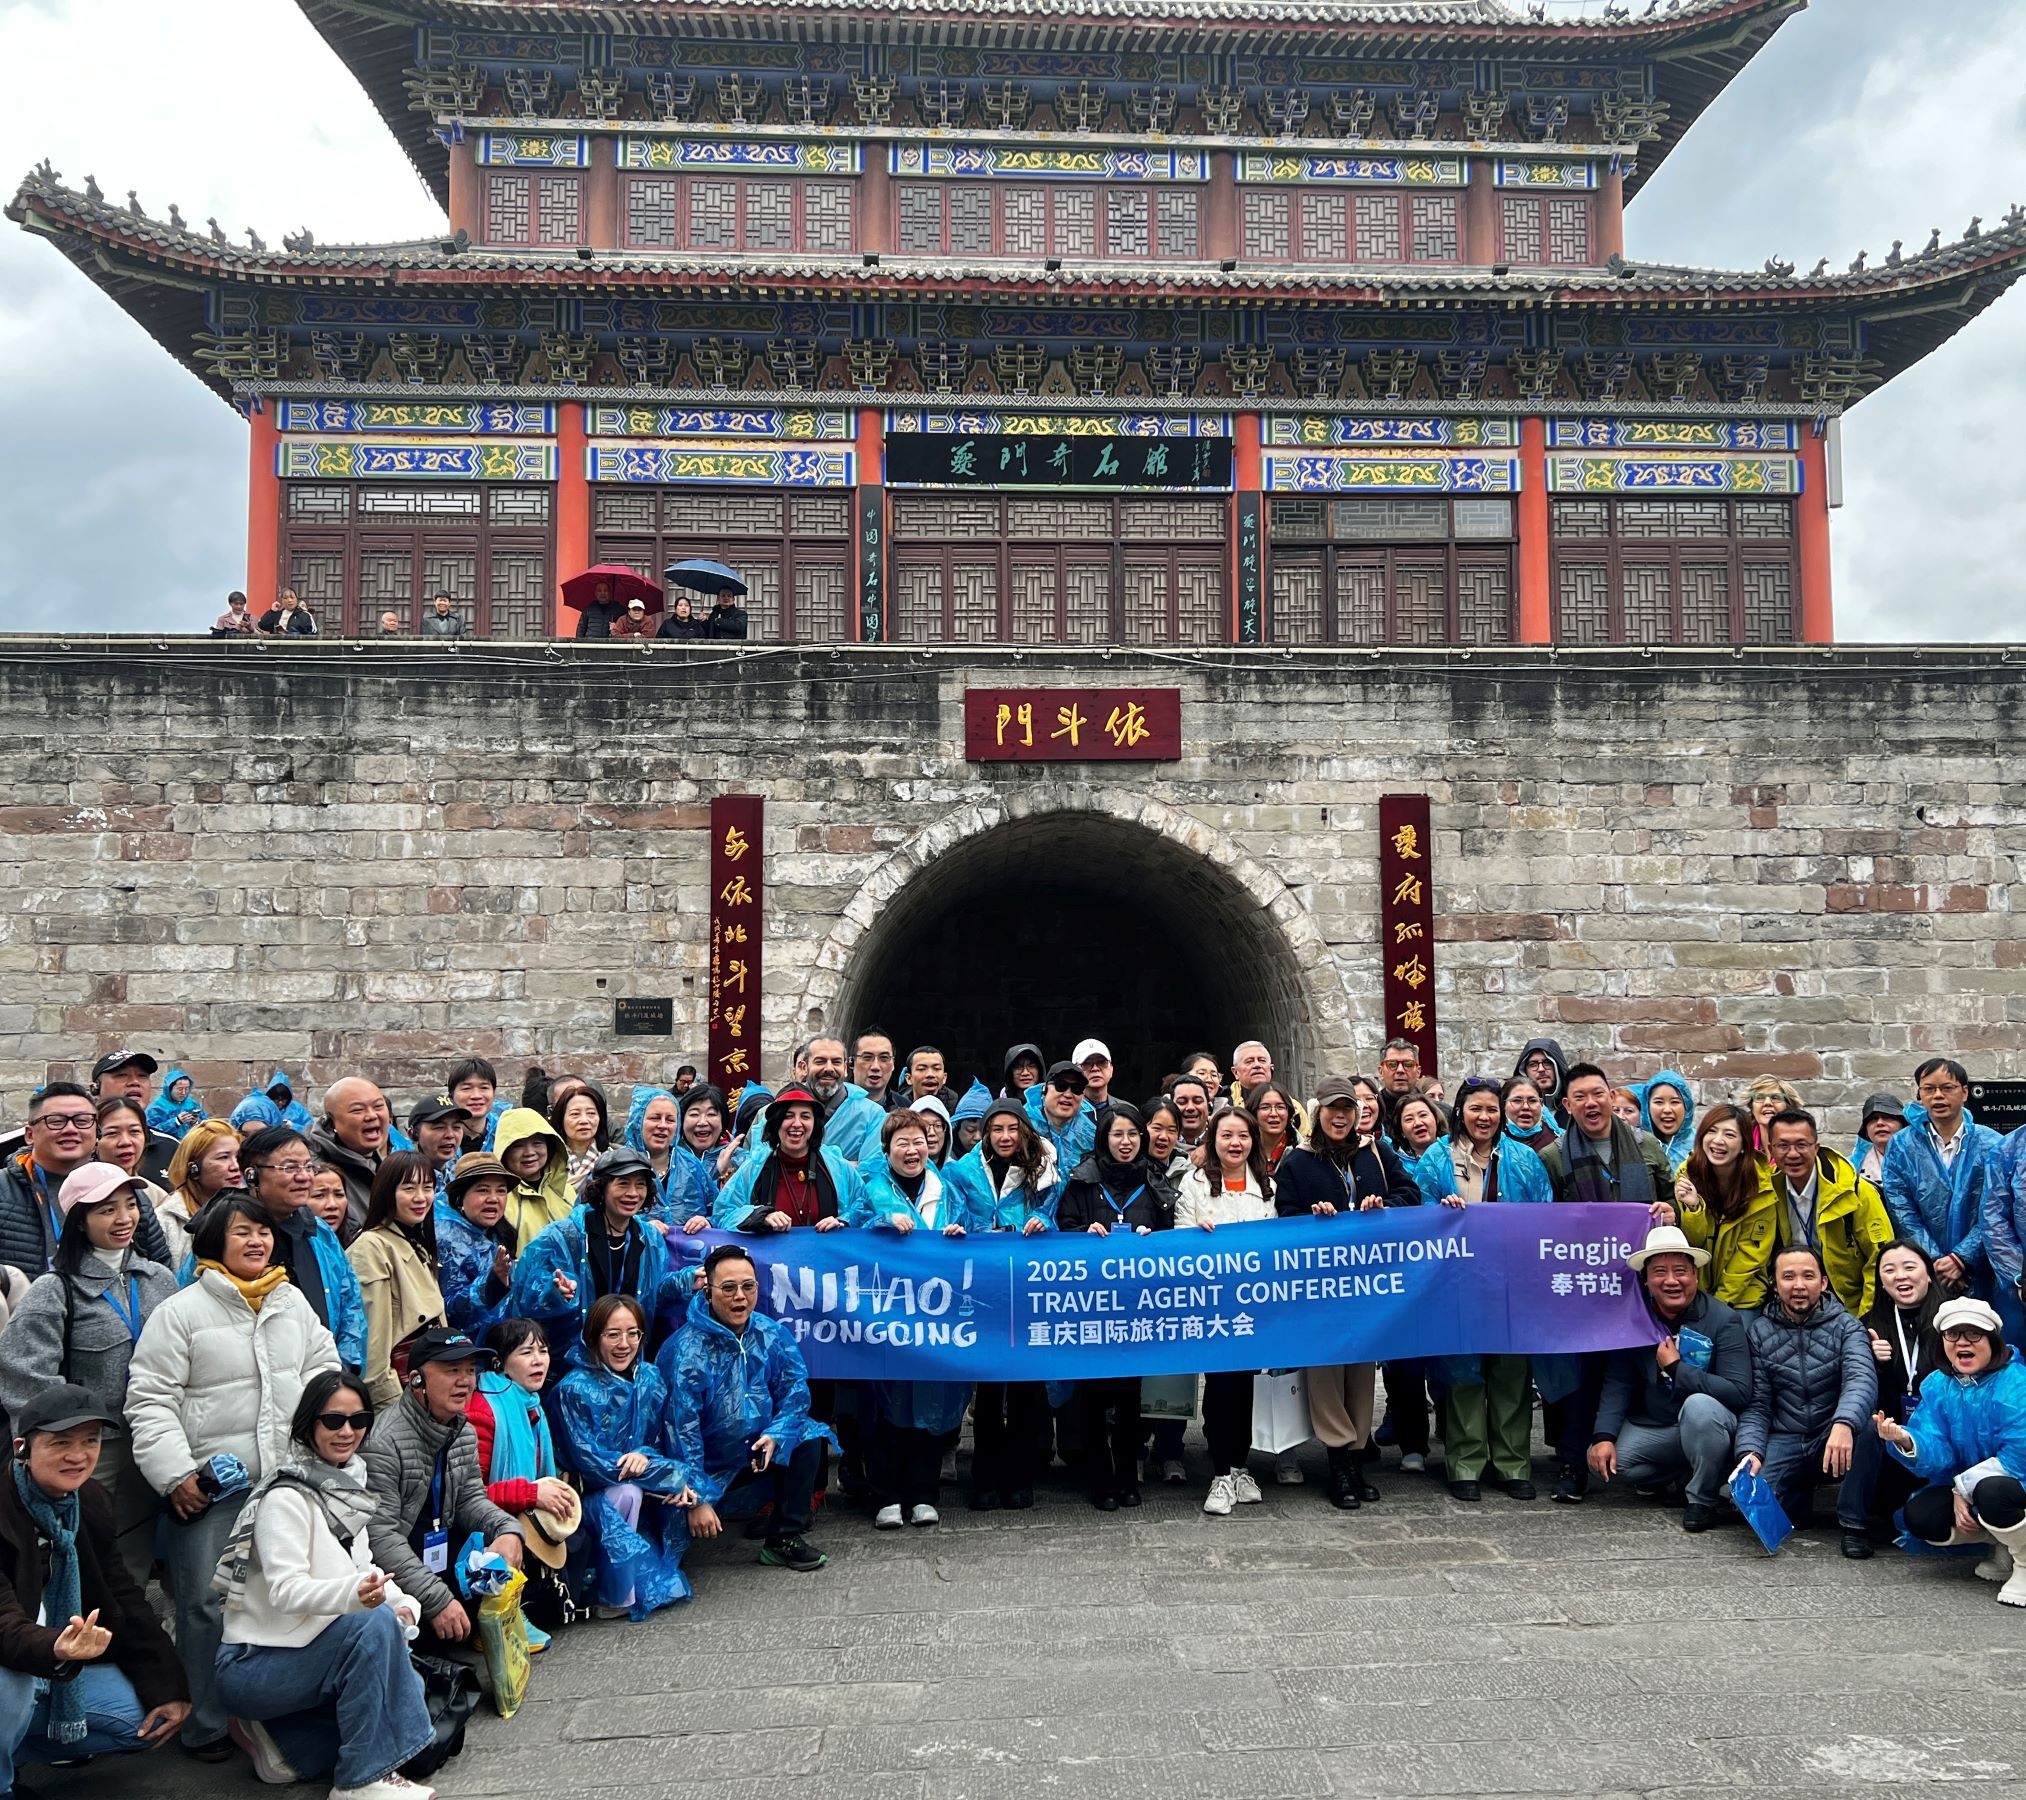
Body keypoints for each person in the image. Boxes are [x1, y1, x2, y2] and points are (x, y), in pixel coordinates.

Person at [125, 1194, 343, 1757]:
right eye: (242, 1231)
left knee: (286, 1592)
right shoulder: (181, 1312)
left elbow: (324, 1374)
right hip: (216, 1488)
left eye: (264, 1231)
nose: (257, 1241)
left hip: (289, 1484)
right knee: (204, 1604)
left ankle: (276, 1711)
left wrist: (323, 1450)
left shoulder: (291, 1302)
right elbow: (150, 1400)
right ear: (214, 1241)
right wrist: (177, 1475)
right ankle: (209, 1722)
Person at [213, 1369, 439, 1798]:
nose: (347, 1431)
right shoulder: (286, 1497)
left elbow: (364, 1566)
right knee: (373, 1629)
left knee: (371, 1743)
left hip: (304, 1651)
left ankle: (277, 1739)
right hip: (253, 1662)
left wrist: (403, 1601)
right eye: (333, 1421)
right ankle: (358, 1783)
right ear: (308, 1424)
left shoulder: (346, 1486)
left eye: (358, 1421)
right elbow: (286, 1591)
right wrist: (358, 1599)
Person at [0, 1385, 190, 1793]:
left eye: (91, 1440)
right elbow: (2, 1623)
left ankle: (10, 1755)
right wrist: (56, 1647)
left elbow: (120, 1591)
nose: (78, 1455)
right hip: (14, 1658)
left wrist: (168, 1685)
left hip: (47, 1660)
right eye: (61, 1442)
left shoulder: (87, 1499)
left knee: (140, 1713)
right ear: (22, 1448)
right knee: (9, 1688)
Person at [0, 1163, 176, 1583]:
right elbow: (24, 1375)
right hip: (91, 1450)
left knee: (132, 1556)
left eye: (131, 1206)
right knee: (77, 1553)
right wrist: (66, 1441)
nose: (123, 1219)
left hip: (152, 1437)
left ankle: (124, 1636)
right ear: (79, 1221)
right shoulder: (54, 1288)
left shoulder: (159, 1280)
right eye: (106, 1210)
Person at [1272, 1076, 1418, 1506]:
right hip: (1320, 1286)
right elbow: (1286, 1215)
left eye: (1347, 1109)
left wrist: (1382, 1207)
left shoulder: (1376, 1151)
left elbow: (1409, 1194)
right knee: (1325, 1370)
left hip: (1368, 1283)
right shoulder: (1298, 1162)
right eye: (1333, 1109)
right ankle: (1337, 1460)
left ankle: (1357, 1455)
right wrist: (1311, 1216)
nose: (1340, 1116)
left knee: (1359, 1369)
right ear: (1319, 1113)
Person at [1422, 1076, 1558, 1503]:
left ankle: (1512, 1463)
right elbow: (1417, 1206)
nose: (1485, 1117)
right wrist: (1439, 1211)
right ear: (1460, 1110)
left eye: (1492, 1110)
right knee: (1463, 1373)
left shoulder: (1522, 1159)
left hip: (1512, 1281)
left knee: (1512, 1372)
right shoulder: (1437, 1158)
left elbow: (1544, 1213)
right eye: (1476, 1108)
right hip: (1457, 1282)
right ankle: (1464, 1463)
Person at [659, 1244, 832, 1574]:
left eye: (748, 1286)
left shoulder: (770, 1333)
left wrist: (776, 1434)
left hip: (755, 1450)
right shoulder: (685, 1352)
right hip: (705, 1464)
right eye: (728, 1288)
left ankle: (783, 1537)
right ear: (708, 1291)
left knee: (807, 1434)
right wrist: (695, 1497)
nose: (740, 1297)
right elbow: (681, 1433)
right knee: (662, 1564)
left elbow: (795, 1392)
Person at [359, 1329, 523, 1651]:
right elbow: (381, 1537)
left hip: (438, 1552)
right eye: (452, 1371)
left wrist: (508, 1530)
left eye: (470, 1371)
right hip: (395, 1570)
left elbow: (471, 1500)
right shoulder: (383, 1442)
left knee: (512, 1548)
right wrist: (436, 1600)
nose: (465, 1381)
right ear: (416, 1380)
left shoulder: (462, 1431)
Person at [1587, 1226, 1752, 1530]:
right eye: (1660, 1272)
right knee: (1610, 1462)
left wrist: (1677, 1369)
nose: (1672, 1281)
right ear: (1647, 1281)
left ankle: (1702, 1500)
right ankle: (1688, 1472)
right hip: (1662, 1426)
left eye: (1681, 1271)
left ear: (1696, 1276)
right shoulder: (1636, 1321)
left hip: (1712, 1423)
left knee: (1700, 1407)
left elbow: (1739, 1391)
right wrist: (1604, 1436)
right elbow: (1619, 1381)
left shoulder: (1723, 1320)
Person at [1057, 1105, 1176, 1510]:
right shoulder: (1081, 1182)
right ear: (1103, 1139)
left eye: (1133, 1135)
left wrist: (1153, 1237)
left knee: (1130, 1399)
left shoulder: (1154, 1180)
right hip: (1092, 1307)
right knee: (1092, 1398)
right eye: (1117, 1135)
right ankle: (1100, 1479)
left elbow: (1173, 1236)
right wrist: (1082, 1234)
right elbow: (1064, 1229)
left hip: (1137, 1308)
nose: (1126, 1143)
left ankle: (1127, 1476)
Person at [1874, 1296, 2026, 1606]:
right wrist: (1905, 1439)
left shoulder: (2017, 1383)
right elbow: (1937, 1449)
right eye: (1952, 1334)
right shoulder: (1938, 1386)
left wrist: (1962, 1488)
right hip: (1975, 1488)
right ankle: (2003, 1545)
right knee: (1923, 1516)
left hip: (2011, 1485)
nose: (1961, 1342)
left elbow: (2019, 1457)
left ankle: (2024, 1562)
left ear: (1993, 1340)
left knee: (1994, 1491)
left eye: (1973, 1334)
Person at [943, 1100, 1056, 1510]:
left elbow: (1055, 1214)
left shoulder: (1043, 1171)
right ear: (986, 1133)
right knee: (988, 1392)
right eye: (997, 1129)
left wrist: (1046, 1222)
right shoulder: (961, 1171)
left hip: (1027, 1290)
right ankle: (985, 1478)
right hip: (983, 1290)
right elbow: (951, 1213)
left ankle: (1020, 1477)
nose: (1005, 1137)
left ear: (1024, 1130)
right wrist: (954, 1229)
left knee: (1026, 1390)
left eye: (1012, 1128)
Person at [1735, 1244, 1880, 1559]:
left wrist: (1844, 1423)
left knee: (1868, 1428)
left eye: (1808, 1276)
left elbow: (1860, 1379)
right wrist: (1750, 1451)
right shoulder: (1759, 1331)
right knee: (1749, 1502)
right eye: (1788, 1276)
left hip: (1832, 1435)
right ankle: (1798, 1494)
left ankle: (1855, 1524)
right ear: (1775, 1284)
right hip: (1785, 1436)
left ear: (1824, 1283)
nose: (1798, 1285)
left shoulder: (1847, 1326)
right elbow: (1757, 1403)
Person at [553, 1295, 691, 1620]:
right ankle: (614, 1597)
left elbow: (662, 1442)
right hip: (586, 1498)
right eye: (612, 1334)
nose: (624, 1344)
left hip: (639, 1489)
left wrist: (649, 1459)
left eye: (633, 1333)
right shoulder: (572, 1390)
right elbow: (593, 1465)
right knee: (627, 1493)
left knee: (665, 1585)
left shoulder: (650, 1378)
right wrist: (665, 1474)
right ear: (593, 1336)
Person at [1176, 1108, 1274, 1518]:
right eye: (1227, 1135)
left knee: (1246, 1387)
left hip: (1250, 1302)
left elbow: (1276, 1240)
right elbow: (1179, 1234)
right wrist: (1198, 1235)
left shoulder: (1267, 1184)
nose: (1236, 1144)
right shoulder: (1194, 1182)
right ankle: (1219, 1471)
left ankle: (1239, 1466)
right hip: (1211, 1301)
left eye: (1243, 1136)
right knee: (1219, 1388)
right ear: (1213, 1140)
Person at [511, 1145, 686, 1366]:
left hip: (625, 1358)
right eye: (623, 1183)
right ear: (601, 1188)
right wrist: (555, 1292)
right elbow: (524, 1294)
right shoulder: (563, 1236)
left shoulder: (649, 1238)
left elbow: (655, 1293)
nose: (633, 1193)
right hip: (568, 1366)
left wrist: (687, 1281)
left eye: (640, 1185)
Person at [468, 1318, 576, 1636]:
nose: (538, 1360)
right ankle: (494, 1622)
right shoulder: (485, 1410)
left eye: (542, 1351)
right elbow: (472, 1494)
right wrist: (531, 1494)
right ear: (500, 1363)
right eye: (526, 1352)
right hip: (477, 1524)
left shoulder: (531, 1405)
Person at [6, 1083, 174, 1279]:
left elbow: (160, 1270)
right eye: (56, 1121)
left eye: (82, 1120)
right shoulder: (5, 1191)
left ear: (96, 1132)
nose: (70, 1129)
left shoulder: (127, 1191)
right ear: (29, 1134)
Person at [238, 1125, 371, 1371]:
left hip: (323, 1380)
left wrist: (345, 1371)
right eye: (290, 1168)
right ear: (252, 1175)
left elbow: (349, 1303)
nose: (303, 1177)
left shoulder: (319, 1232)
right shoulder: (227, 1233)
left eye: (308, 1166)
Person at [1881, 1059, 2002, 1301]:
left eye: (1947, 1088)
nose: (1938, 1096)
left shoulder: (1993, 1144)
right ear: (1920, 1093)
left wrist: (1963, 1257)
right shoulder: (1902, 1146)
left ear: (1965, 1092)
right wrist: (1934, 1259)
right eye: (1929, 1089)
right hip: (1925, 1270)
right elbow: (1901, 1209)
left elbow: (1995, 1210)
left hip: (1982, 1271)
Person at [1850, 1239, 1945, 1537]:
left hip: (1942, 1435)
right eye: (1889, 1270)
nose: (1900, 1276)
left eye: (1909, 1267)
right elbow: (1856, 1387)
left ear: (1928, 1273)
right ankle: (1859, 1521)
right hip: (1893, 1435)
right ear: (1880, 1281)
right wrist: (1872, 1361)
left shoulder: (1954, 1320)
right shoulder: (1869, 1325)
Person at [1765, 1107, 1895, 1319]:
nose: (1793, 1154)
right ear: (1770, 1149)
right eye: (1783, 1146)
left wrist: (1867, 1318)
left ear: (1816, 1147)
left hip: (1846, 1304)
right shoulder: (1765, 1191)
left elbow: (1880, 1258)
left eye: (1801, 1145)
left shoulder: (1855, 1191)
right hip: (1786, 1300)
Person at [346, 1152, 447, 1408]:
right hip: (404, 1392)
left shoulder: (414, 1241)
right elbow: (375, 1343)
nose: (421, 1197)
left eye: (427, 1188)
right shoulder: (371, 1246)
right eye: (409, 1188)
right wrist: (391, 1407)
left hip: (430, 1381)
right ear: (386, 1192)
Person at [711, 1087, 862, 1231]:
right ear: (776, 1123)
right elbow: (723, 1214)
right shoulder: (754, 1168)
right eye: (788, 1116)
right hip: (770, 1257)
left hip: (825, 1256)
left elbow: (865, 1207)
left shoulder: (837, 1167)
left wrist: (843, 1221)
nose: (797, 1124)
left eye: (805, 1116)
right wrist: (760, 1216)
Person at [1673, 1103, 1777, 1310]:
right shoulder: (1687, 1174)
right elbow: (1692, 1242)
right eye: (1711, 1131)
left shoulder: (1762, 1186)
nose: (1718, 1141)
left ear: (1744, 1146)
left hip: (1743, 1295)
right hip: (1696, 1292)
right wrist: (1694, 1209)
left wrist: (1718, 1305)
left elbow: (1750, 1256)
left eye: (1729, 1135)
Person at [92, 1094, 181, 1268]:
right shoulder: (78, 1193)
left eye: (134, 1132)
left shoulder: (156, 1196)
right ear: (94, 1140)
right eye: (112, 1133)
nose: (126, 1142)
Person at [433, 1154, 517, 1337]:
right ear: (460, 1197)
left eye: (501, 1191)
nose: (494, 1199)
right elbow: (450, 1311)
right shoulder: (447, 1240)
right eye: (483, 1190)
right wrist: (492, 1283)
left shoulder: (499, 1233)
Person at [308, 1078, 391, 1239]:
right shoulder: (314, 1169)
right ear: (332, 1122)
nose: (371, 1116)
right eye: (358, 1110)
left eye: (378, 1106)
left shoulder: (381, 1165)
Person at [492, 1105, 575, 1251]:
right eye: (518, 1145)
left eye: (537, 1143)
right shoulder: (498, 1198)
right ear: (503, 1151)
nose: (529, 1152)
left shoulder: (565, 1191)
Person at [799, 1036, 887, 1165]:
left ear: (845, 1068)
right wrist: (846, 1165)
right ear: (804, 1067)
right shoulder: (780, 1110)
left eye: (836, 1062)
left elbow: (871, 1170)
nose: (829, 1068)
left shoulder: (873, 1115)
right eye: (820, 1061)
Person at [161, 1116, 242, 1245]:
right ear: (194, 1168)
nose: (236, 1166)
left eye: (238, 1157)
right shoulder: (165, 1221)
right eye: (223, 1157)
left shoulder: (253, 1210)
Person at [1025, 1061, 1097, 1176]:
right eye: (1061, 1086)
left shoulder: (1091, 1132)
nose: (1068, 1094)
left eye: (1076, 1089)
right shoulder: (1023, 1126)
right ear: (1044, 1090)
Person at [405, 1096, 472, 1195]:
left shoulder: (457, 1177)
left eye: (456, 1127)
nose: (450, 1135)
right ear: (413, 1134)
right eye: (439, 1127)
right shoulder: (403, 1178)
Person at [229, 1070, 316, 1138]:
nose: (280, 1103)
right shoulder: (263, 1108)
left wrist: (293, 1126)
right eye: (277, 1100)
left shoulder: (297, 1109)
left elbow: (310, 1131)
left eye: (284, 1100)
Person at [1639, 1071, 1696, 1175]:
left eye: (1675, 1102)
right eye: (1659, 1102)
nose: (1667, 1110)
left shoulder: (1700, 1145)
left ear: (1687, 1106)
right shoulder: (1638, 1145)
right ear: (1647, 1107)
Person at [1511, 1039, 1570, 1128]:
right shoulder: (1512, 1111)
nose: (1541, 1069)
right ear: (1525, 1071)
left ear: (1557, 1067)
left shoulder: (1574, 1108)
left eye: (1547, 1063)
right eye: (1533, 1064)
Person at [1853, 1092, 1908, 1185]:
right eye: (1873, 1119)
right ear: (1866, 1131)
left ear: (1903, 1126)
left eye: (1888, 1117)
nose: (1879, 1123)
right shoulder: (1851, 1167)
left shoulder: (1920, 1159)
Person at [1743, 1075, 1804, 1157]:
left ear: (1788, 1106)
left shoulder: (1802, 1146)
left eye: (1775, 1097)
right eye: (1760, 1097)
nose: (1767, 1103)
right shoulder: (1742, 1146)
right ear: (1752, 1106)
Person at [145, 1067, 207, 1142]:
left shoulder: (192, 1103)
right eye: (180, 1089)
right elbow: (151, 1132)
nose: (183, 1093)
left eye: (187, 1089)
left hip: (190, 1146)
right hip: (168, 1148)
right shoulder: (156, 1107)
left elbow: (206, 1123)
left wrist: (196, 1122)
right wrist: (176, 1121)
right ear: (169, 1089)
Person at [1501, 1075, 1555, 1156]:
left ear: (1542, 1105)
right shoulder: (1492, 1144)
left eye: (1532, 1100)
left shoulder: (1557, 1143)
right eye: (1517, 1100)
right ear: (1503, 1105)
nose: (1525, 1107)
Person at [850, 1030, 899, 1109]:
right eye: (867, 1058)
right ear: (852, 1063)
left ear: (893, 1064)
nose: (875, 1067)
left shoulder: (906, 1109)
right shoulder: (833, 1105)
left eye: (884, 1058)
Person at [948, 1080, 992, 1157]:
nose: (978, 1137)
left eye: (984, 1131)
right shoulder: (943, 1160)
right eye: (970, 1130)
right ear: (957, 1127)